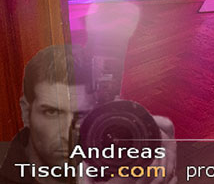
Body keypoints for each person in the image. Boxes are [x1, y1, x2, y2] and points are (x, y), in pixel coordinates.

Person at [1, 45, 176, 184]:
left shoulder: (114, 167)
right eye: (52, 112)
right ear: (26, 112)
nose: (67, 134)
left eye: (82, 115)